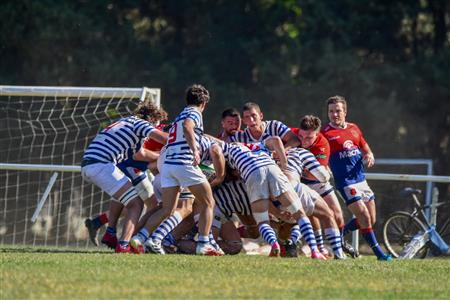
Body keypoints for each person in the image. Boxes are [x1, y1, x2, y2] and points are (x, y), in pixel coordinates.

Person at [81, 100, 168, 253]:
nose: (156, 126)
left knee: (132, 201)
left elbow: (140, 154)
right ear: (152, 119)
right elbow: (163, 138)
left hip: (91, 163)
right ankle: (124, 245)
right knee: (136, 204)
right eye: (156, 123)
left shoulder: (126, 121)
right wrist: (186, 143)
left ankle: (111, 233)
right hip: (101, 164)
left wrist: (160, 155)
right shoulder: (141, 124)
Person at [322, 95, 392, 261]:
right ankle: (380, 254)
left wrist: (369, 155)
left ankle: (338, 234)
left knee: (370, 219)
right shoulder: (325, 133)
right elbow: (319, 153)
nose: (334, 114)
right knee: (364, 216)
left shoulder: (354, 128)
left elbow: (365, 147)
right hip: (345, 183)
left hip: (361, 180)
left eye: (338, 111)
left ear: (345, 112)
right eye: (331, 111)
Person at [157, 84, 223, 256]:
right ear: (204, 103)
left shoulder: (180, 114)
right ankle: (203, 244)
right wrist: (195, 149)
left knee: (168, 211)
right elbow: (188, 126)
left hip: (168, 165)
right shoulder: (194, 112)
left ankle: (151, 239)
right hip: (183, 164)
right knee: (208, 202)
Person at [293, 115, 358, 257]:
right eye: (301, 136)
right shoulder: (292, 133)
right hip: (300, 182)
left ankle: (340, 244)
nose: (303, 141)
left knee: (337, 214)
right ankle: (320, 248)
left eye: (309, 138)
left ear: (317, 134)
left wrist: (301, 167)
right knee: (312, 213)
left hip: (318, 182)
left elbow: (317, 175)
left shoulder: (323, 143)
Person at [231, 102, 300, 149]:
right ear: (244, 121)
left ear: (261, 116)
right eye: (247, 117)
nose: (251, 120)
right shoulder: (239, 137)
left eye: (254, 115)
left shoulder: (274, 126)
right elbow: (225, 146)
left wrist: (281, 151)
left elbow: (295, 140)